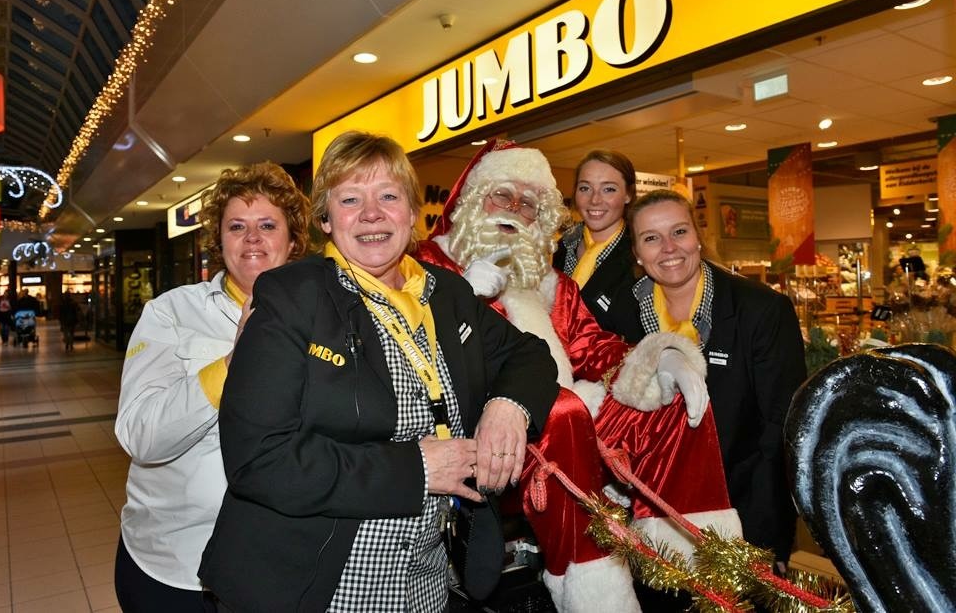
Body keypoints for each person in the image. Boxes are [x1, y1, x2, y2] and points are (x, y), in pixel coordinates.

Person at [199, 131, 560, 612]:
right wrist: (417, 469)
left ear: (412, 214)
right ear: (326, 219)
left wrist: (507, 406)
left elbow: (531, 355)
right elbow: (258, 460)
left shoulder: (447, 294)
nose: (371, 214)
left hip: (427, 585)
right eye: (350, 199)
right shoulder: (291, 297)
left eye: (388, 196)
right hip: (316, 587)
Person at [415, 140, 738, 612]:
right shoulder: (428, 264)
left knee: (671, 399)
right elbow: (405, 347)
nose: (514, 209)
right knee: (563, 410)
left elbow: (592, 347)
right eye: (502, 195)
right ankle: (592, 586)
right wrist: (460, 295)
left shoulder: (550, 283)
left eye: (528, 203)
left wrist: (661, 357)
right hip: (480, 432)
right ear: (475, 199)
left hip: (560, 428)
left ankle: (687, 564)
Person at [114, 162, 311, 612]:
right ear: (219, 241)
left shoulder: (323, 317)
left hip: (282, 561)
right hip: (177, 565)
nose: (252, 238)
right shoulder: (171, 313)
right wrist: (231, 364)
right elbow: (141, 435)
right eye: (236, 226)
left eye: (267, 225)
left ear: (293, 241)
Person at [606, 188, 803, 576]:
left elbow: (780, 431)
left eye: (679, 231)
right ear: (637, 253)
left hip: (738, 518)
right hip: (648, 520)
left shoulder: (760, 310)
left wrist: (769, 538)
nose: (669, 248)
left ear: (698, 236)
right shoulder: (622, 313)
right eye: (651, 238)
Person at [554, 149, 637, 330]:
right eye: (585, 188)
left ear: (628, 195)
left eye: (608, 189)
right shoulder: (559, 249)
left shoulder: (641, 257)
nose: (595, 200)